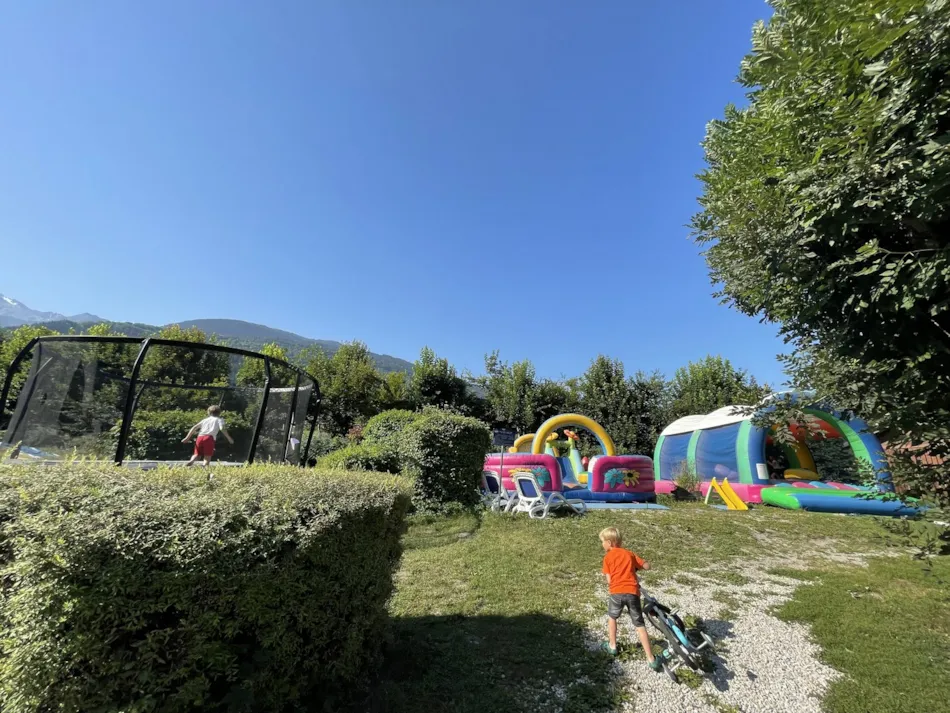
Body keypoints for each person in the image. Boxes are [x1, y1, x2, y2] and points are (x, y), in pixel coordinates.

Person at [599, 526, 663, 671]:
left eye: (603, 542)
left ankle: (612, 646)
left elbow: (609, 581)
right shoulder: (629, 554)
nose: (602, 544)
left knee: (612, 617)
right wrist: (644, 565)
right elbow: (646, 566)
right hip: (632, 592)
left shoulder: (607, 558)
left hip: (616, 593)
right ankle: (651, 659)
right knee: (639, 624)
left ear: (609, 542)